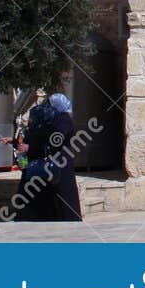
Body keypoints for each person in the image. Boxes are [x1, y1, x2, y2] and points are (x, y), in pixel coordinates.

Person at [39, 93, 81, 222]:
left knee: (65, 191)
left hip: (62, 161)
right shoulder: (60, 118)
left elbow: (57, 139)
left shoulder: (63, 119)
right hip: (59, 160)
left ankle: (69, 218)